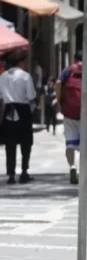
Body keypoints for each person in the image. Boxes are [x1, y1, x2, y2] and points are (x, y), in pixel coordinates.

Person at [56, 51, 87, 185]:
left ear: (74, 58)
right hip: (86, 112)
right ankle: (84, 170)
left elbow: (59, 83)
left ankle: (72, 166)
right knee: (86, 141)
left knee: (70, 142)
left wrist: (59, 100)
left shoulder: (68, 70)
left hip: (69, 111)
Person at [0, 50, 36, 184]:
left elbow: (0, 96)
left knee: (10, 145)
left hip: (8, 111)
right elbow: (31, 96)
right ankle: (24, 172)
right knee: (26, 143)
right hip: (23, 110)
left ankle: (10, 174)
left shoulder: (2, 76)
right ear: (21, 61)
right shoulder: (26, 76)